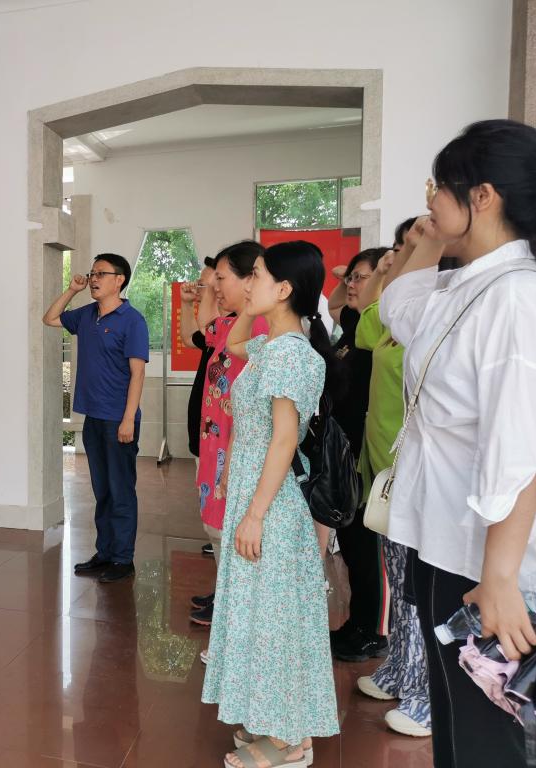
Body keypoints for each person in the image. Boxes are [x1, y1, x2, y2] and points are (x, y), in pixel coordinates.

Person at [379, 119, 536, 767]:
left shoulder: (519, 300)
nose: (429, 200)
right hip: (444, 539)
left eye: (438, 187)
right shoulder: (468, 284)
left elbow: (523, 453)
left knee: (486, 740)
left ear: (482, 196)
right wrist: (428, 241)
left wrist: (501, 579)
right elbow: (398, 308)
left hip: (485, 559)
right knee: (456, 722)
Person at [203, 241, 339, 768]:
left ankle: (290, 742)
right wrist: (246, 308)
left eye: (255, 275)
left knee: (276, 622)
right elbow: (235, 345)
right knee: (262, 615)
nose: (246, 283)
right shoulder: (271, 346)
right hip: (256, 493)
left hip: (272, 506)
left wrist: (255, 514)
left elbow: (284, 439)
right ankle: (277, 724)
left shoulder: (291, 355)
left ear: (283, 289)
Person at [349, 217, 433, 738]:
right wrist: (390, 269)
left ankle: (426, 692)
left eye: (408, 248)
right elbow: (364, 325)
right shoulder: (393, 321)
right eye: (400, 248)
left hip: (420, 475)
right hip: (385, 468)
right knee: (399, 582)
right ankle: (401, 668)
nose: (398, 257)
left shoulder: (434, 315)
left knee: (421, 590)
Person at [42, 253, 149, 584]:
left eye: (101, 273)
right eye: (92, 273)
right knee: (102, 490)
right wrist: (71, 290)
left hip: (119, 419)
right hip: (93, 418)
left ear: (119, 280)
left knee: (121, 490)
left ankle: (123, 559)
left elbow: (138, 374)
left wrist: (128, 419)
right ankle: (104, 553)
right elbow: (50, 318)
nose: (93, 279)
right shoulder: (86, 315)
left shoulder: (132, 321)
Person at [181, 242, 268, 628]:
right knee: (217, 529)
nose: (214, 286)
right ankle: (228, 605)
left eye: (221, 277)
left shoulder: (264, 330)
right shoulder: (231, 325)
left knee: (232, 534)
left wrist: (232, 461)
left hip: (236, 451)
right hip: (214, 445)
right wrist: (205, 294)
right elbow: (203, 329)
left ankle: (237, 618)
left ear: (251, 279)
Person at [324, 246, 391, 663]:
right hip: (345, 451)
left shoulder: (384, 326)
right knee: (350, 541)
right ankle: (357, 623)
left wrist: (377, 278)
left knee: (368, 548)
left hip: (368, 453)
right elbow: (334, 304)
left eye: (360, 277)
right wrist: (345, 279)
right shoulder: (354, 324)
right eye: (351, 277)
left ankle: (374, 632)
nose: (351, 284)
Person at [179, 257, 218, 463]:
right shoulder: (216, 331)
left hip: (219, 443)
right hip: (203, 435)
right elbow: (189, 338)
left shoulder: (235, 331)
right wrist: (187, 304)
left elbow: (205, 328)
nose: (198, 290)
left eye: (202, 285)